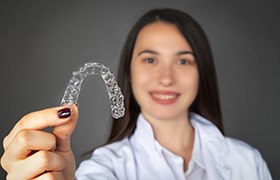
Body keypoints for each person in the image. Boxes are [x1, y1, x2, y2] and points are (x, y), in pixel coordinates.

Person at [0, 8, 272, 180]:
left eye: (183, 60)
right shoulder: (104, 169)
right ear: (128, 71)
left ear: (202, 72)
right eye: (150, 60)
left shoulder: (248, 162)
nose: (166, 78)